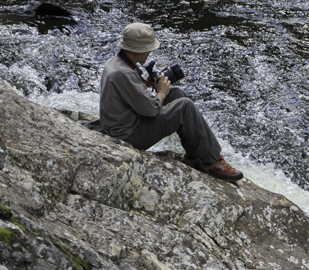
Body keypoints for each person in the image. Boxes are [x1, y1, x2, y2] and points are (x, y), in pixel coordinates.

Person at [98, 22, 243, 181]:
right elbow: (151, 109)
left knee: (176, 94)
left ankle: (194, 155)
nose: (151, 51)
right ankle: (213, 162)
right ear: (139, 49)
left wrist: (150, 82)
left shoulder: (118, 61)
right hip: (126, 135)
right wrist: (160, 92)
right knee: (184, 106)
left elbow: (131, 92)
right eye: (149, 48)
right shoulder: (123, 73)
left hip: (127, 122)